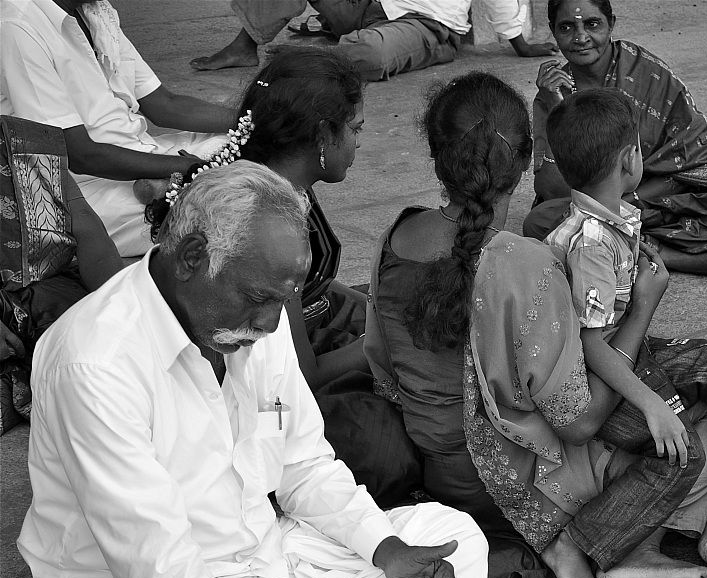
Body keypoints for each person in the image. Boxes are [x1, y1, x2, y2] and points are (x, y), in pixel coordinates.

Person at [18, 161, 488, 578]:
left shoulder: (245, 319)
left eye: (282, 301)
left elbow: (302, 464)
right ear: (189, 256)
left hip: (268, 553)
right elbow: (162, 575)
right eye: (260, 299)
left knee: (455, 536)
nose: (272, 324)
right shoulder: (94, 363)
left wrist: (386, 548)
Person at [370, 71, 707, 578]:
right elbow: (579, 422)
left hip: (436, 465)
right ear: (525, 160)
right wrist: (642, 309)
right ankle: (597, 545)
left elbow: (384, 370)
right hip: (517, 482)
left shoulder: (396, 234)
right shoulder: (524, 261)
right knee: (694, 434)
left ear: (437, 158)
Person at [146, 50, 423, 509]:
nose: (358, 146)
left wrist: (368, 308)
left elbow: (315, 290)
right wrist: (383, 340)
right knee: (393, 436)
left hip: (305, 332)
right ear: (321, 137)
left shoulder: (284, 182)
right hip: (259, 388)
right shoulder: (267, 221)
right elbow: (299, 373)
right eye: (353, 131)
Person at [542, 88, 707, 530]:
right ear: (630, 160)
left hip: (629, 352)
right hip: (602, 375)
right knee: (683, 450)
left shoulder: (612, 220)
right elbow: (592, 346)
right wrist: (653, 404)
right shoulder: (591, 243)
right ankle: (591, 541)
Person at [522, 0, 707, 276]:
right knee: (540, 222)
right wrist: (557, 108)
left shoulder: (645, 72)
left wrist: (633, 199)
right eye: (566, 27)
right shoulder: (553, 90)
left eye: (592, 24)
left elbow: (696, 154)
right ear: (553, 31)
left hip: (665, 188)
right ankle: (654, 249)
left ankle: (642, 247)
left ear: (611, 24)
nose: (580, 38)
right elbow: (551, 189)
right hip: (598, 201)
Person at [0, 0, 237, 256]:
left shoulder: (96, 10)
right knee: (225, 216)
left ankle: (168, 183)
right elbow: (80, 156)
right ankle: (172, 186)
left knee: (251, 146)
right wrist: (192, 168)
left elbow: (164, 105)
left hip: (143, 154)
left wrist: (258, 116)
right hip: (84, 191)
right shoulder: (17, 24)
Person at [1, 115, 123, 433]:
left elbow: (83, 223)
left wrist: (125, 312)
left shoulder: (25, 141)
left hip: (47, 296)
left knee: (101, 349)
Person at [190, 0, 556, 77]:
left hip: (428, 23)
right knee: (365, 41)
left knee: (369, 53)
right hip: (369, 4)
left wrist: (518, 43)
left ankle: (330, 47)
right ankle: (245, 44)